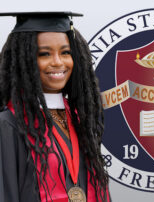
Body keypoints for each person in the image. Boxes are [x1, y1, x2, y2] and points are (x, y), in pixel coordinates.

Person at [0, 12, 111, 202]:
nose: (58, 62)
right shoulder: (8, 125)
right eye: (45, 54)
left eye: (65, 52)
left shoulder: (80, 119)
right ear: (24, 59)